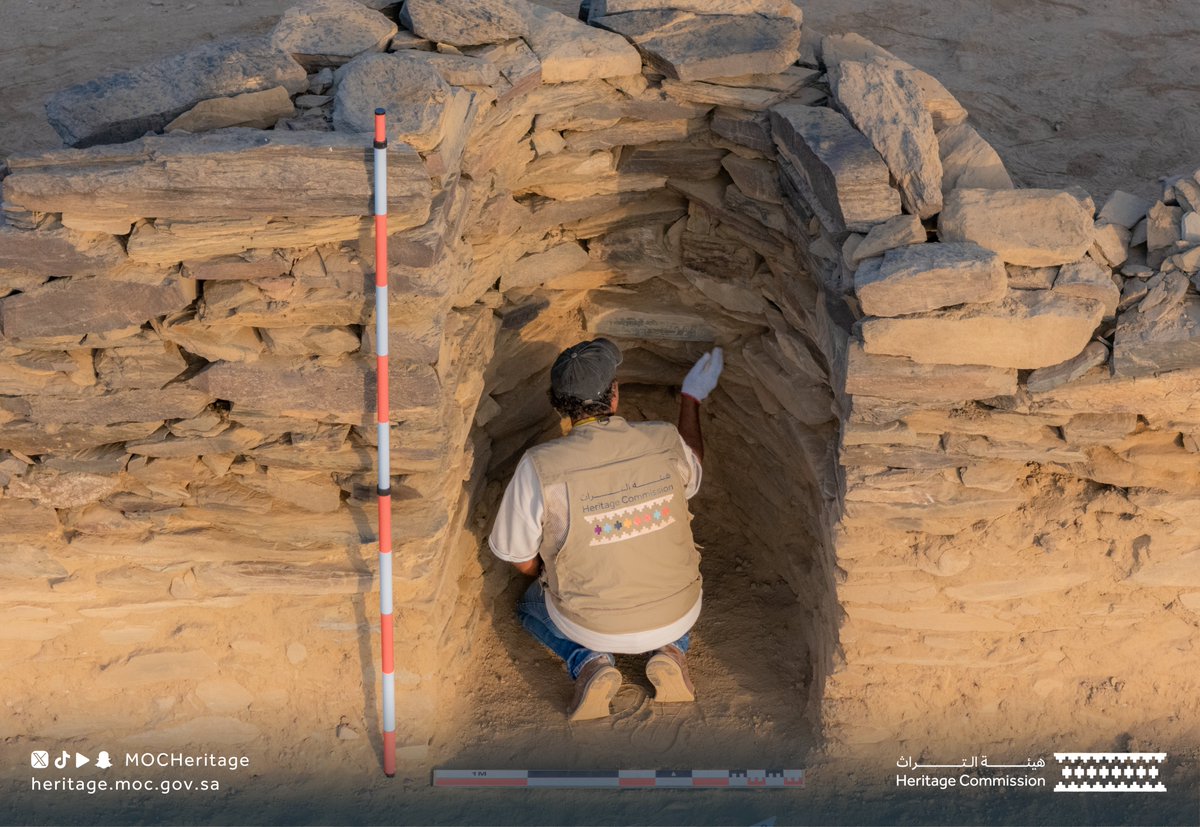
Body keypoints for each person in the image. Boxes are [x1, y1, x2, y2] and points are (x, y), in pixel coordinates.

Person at [488, 338, 724, 721]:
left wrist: (546, 572)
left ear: (558, 405)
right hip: (676, 611)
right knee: (668, 578)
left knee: (530, 606)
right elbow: (693, 468)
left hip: (591, 624)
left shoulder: (540, 466)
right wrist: (691, 398)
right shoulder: (664, 439)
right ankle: (672, 650)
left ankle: (589, 661)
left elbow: (517, 555)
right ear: (614, 393)